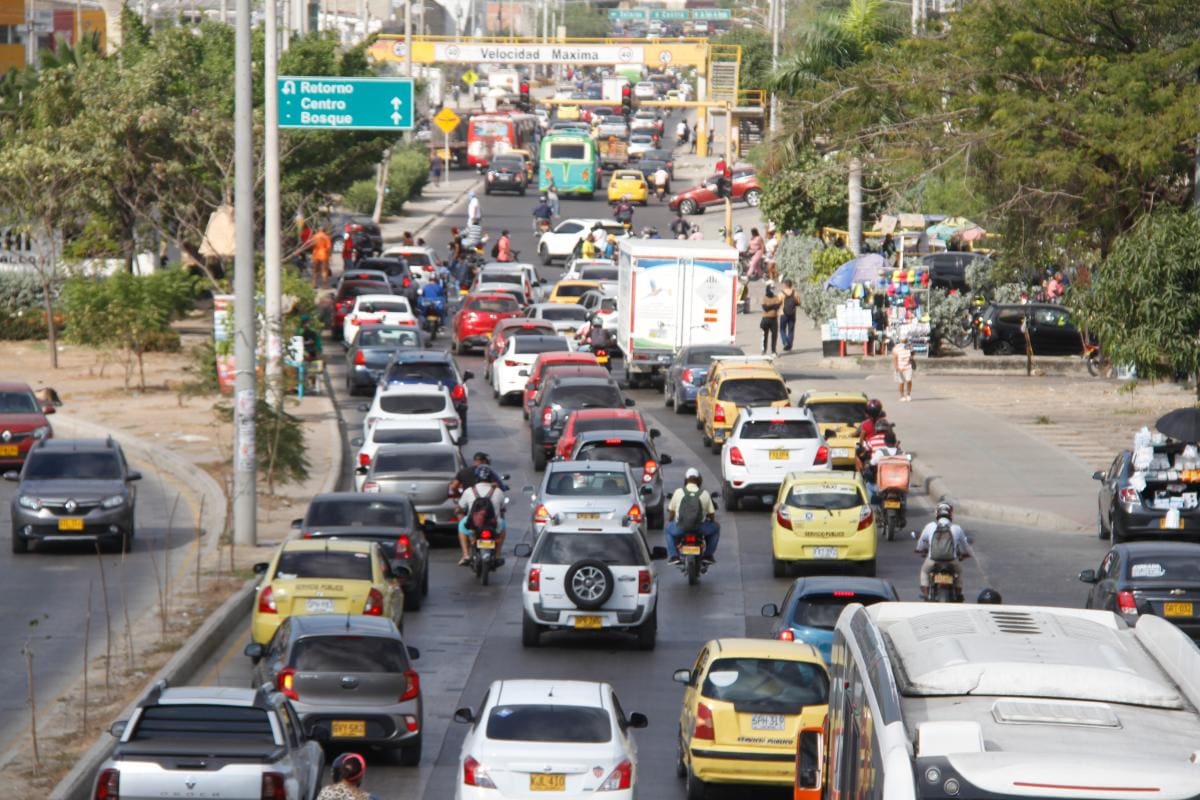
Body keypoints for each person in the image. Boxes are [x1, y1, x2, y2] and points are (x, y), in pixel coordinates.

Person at [665, 467, 719, 564]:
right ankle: (708, 555)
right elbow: (711, 514)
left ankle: (674, 556)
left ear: (686, 480)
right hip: (700, 528)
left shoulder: (678, 492)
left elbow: (671, 513)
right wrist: (712, 521)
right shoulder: (705, 493)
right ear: (699, 480)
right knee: (716, 528)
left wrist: (669, 521)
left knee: (667, 529)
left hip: (680, 528)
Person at [457, 465, 509, 566]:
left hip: (473, 524)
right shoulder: (498, 491)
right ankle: (498, 555)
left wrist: (458, 510)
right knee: (503, 526)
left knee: (461, 526)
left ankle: (466, 555)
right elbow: (503, 507)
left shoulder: (469, 491)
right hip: (493, 524)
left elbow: (461, 506)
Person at [915, 511, 972, 601]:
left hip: (933, 560)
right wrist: (969, 554)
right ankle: (958, 594)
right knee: (959, 572)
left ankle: (926, 595)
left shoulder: (930, 526)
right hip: (951, 560)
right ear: (950, 515)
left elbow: (921, 542)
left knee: (924, 571)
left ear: (937, 515)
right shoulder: (957, 528)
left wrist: (919, 549)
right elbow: (965, 545)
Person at [892, 331, 915, 402]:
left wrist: (911, 358)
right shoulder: (896, 347)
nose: (904, 340)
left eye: (905, 339)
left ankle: (908, 395)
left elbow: (913, 352)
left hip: (908, 367)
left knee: (909, 381)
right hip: (900, 367)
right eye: (903, 339)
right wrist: (896, 367)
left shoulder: (909, 346)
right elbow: (895, 357)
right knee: (901, 382)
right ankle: (902, 396)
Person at [760, 281, 781, 355]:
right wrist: (773, 305)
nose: (773, 289)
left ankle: (773, 350)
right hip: (766, 319)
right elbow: (765, 308)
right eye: (771, 288)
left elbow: (778, 306)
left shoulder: (776, 297)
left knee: (774, 336)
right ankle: (764, 350)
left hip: (774, 319)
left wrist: (770, 306)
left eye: (773, 288)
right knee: (765, 336)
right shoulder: (764, 298)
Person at [779, 278, 798, 351]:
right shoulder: (795, 293)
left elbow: (778, 302)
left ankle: (785, 342)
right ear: (791, 285)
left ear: (785, 285)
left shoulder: (781, 293)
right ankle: (789, 345)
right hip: (792, 313)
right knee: (791, 330)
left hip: (783, 313)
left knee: (782, 329)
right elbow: (798, 302)